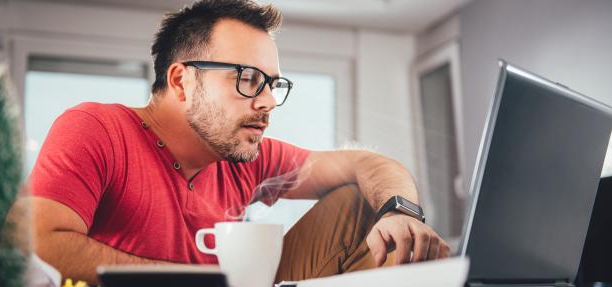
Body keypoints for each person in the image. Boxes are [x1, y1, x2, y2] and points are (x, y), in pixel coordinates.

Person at [25, 0, 450, 284]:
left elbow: (368, 164)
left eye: (272, 84)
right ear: (181, 81)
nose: (267, 101)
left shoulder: (246, 157)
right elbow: (41, 240)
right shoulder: (96, 128)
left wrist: (401, 211)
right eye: (248, 80)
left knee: (362, 201)